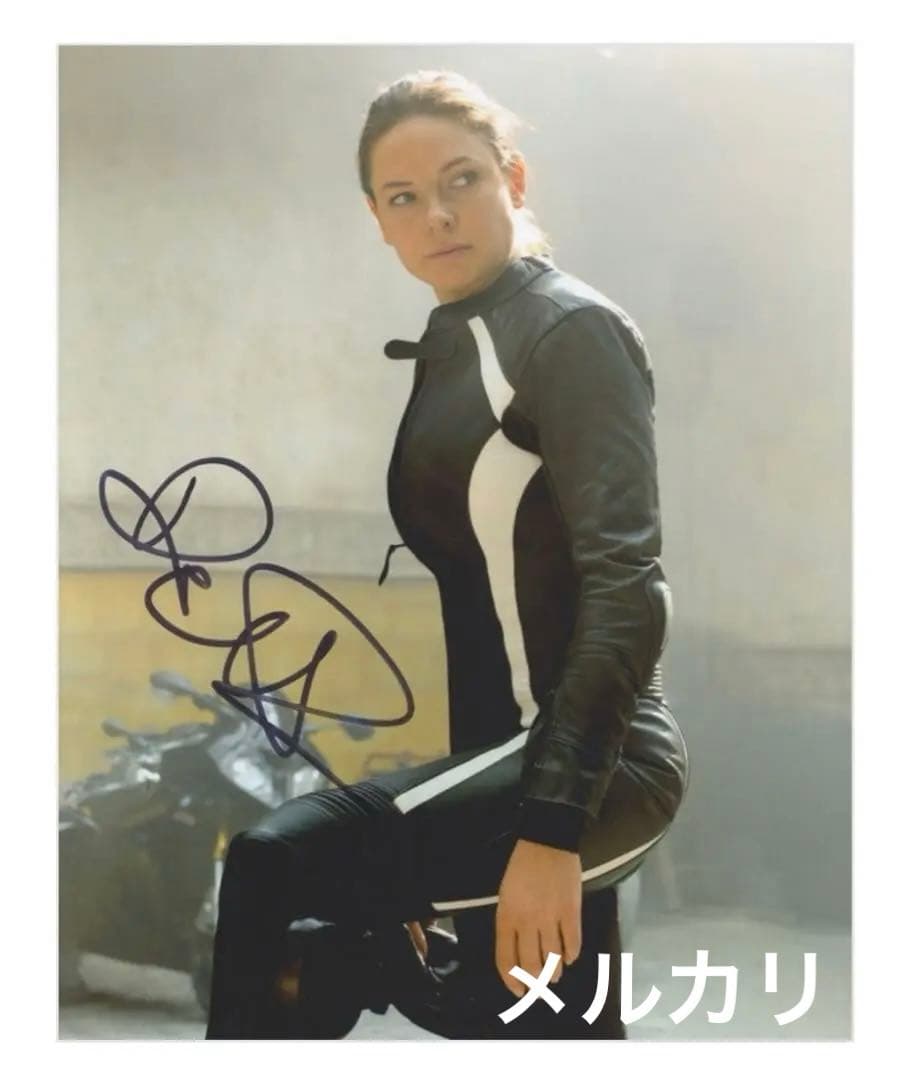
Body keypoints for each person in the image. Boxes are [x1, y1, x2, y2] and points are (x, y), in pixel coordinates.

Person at [205, 69, 689, 1040]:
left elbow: (629, 589)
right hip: (505, 762)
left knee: (272, 866)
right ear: (379, 222)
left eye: (462, 179)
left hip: (594, 768)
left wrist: (546, 828)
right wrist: (436, 824)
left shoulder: (568, 332)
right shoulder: (458, 340)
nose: (437, 213)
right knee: (541, 1032)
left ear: (515, 177)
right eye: (403, 197)